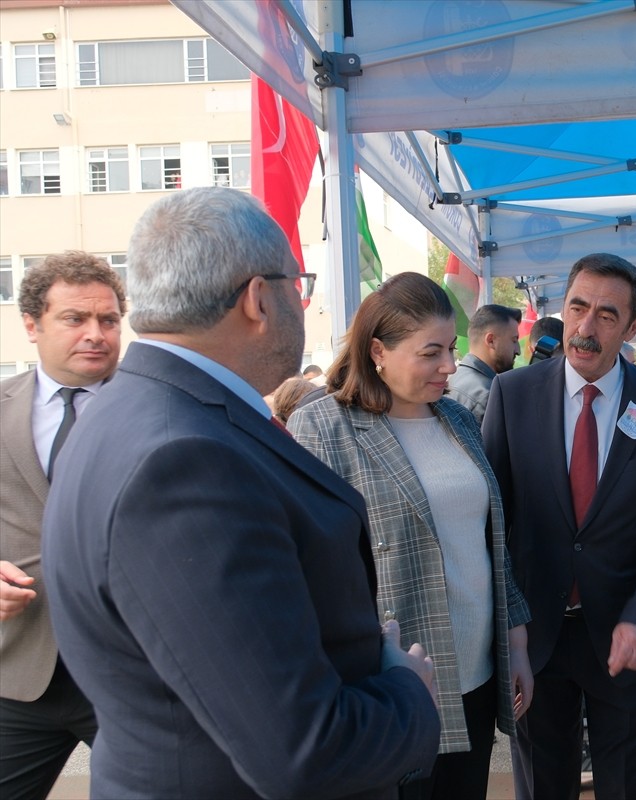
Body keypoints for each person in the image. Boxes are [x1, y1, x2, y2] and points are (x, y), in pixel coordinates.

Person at [40, 187, 440, 799]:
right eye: (296, 285)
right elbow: (303, 750)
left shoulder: (133, 411)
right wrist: (408, 692)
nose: (300, 305)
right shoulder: (185, 460)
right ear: (259, 297)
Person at [289, 273, 533, 800]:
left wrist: (516, 640)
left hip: (477, 670)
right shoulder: (323, 428)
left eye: (452, 349)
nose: (449, 366)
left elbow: (492, 542)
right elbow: (308, 572)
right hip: (391, 682)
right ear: (378, 350)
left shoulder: (457, 420)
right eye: (431, 353)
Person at [482, 252, 636, 799]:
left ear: (633, 326)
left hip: (622, 629)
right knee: (541, 780)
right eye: (578, 306)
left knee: (626, 782)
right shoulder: (513, 395)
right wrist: (509, 629)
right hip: (535, 633)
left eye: (607, 314)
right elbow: (493, 516)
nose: (585, 327)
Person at [1, 252, 124, 800]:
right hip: (19, 673)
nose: (96, 334)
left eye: (110, 320)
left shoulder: (158, 409)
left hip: (133, 674)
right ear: (32, 324)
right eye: (75, 319)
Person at [447, 303, 522, 425]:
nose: (518, 350)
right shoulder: (487, 395)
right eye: (514, 340)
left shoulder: (454, 378)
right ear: (491, 340)